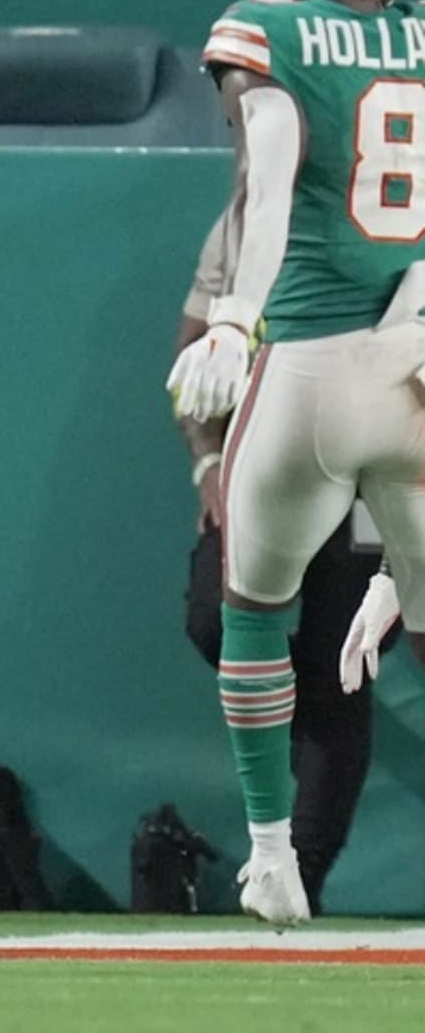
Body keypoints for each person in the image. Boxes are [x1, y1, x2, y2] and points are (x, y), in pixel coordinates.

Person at [167, 0, 425, 927]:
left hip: (311, 367)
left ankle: (272, 853)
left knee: (253, 616)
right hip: (414, 373)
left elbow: (268, 189)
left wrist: (233, 318)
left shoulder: (266, 33)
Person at [174, 210, 399, 914]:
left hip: (380, 464)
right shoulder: (251, 221)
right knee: (222, 618)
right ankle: (278, 853)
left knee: (346, 665)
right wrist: (211, 459)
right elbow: (195, 359)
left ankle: (300, 874)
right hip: (279, 455)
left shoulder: (400, 231)